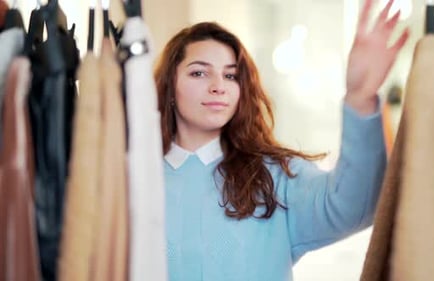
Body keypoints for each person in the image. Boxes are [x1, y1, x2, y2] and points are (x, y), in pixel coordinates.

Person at [153, 0, 409, 279]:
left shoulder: (274, 177)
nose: (218, 86)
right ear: (169, 87)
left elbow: (355, 204)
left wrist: (360, 98)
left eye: (230, 75)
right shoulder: (134, 179)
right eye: (199, 73)